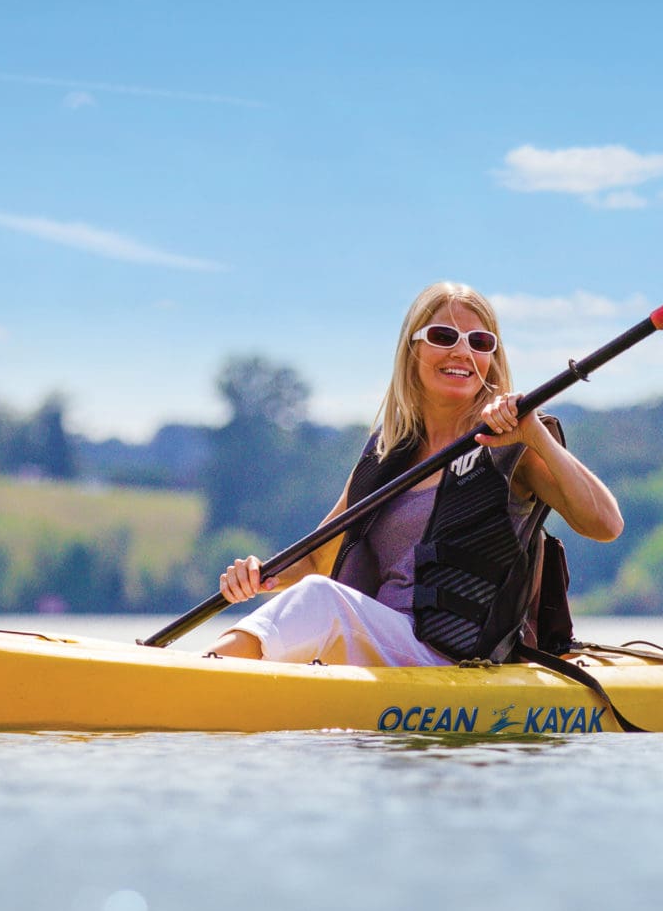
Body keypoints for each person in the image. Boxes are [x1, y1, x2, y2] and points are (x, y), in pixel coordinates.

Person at [208, 281, 623, 667]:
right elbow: (318, 557)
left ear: (492, 359)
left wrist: (536, 435)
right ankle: (205, 673)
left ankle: (208, 674)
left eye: (479, 342)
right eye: (444, 337)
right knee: (318, 596)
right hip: (383, 645)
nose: (462, 352)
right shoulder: (387, 451)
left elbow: (606, 524)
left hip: (452, 656)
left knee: (320, 600)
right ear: (413, 351)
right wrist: (262, 575)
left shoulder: (514, 445)